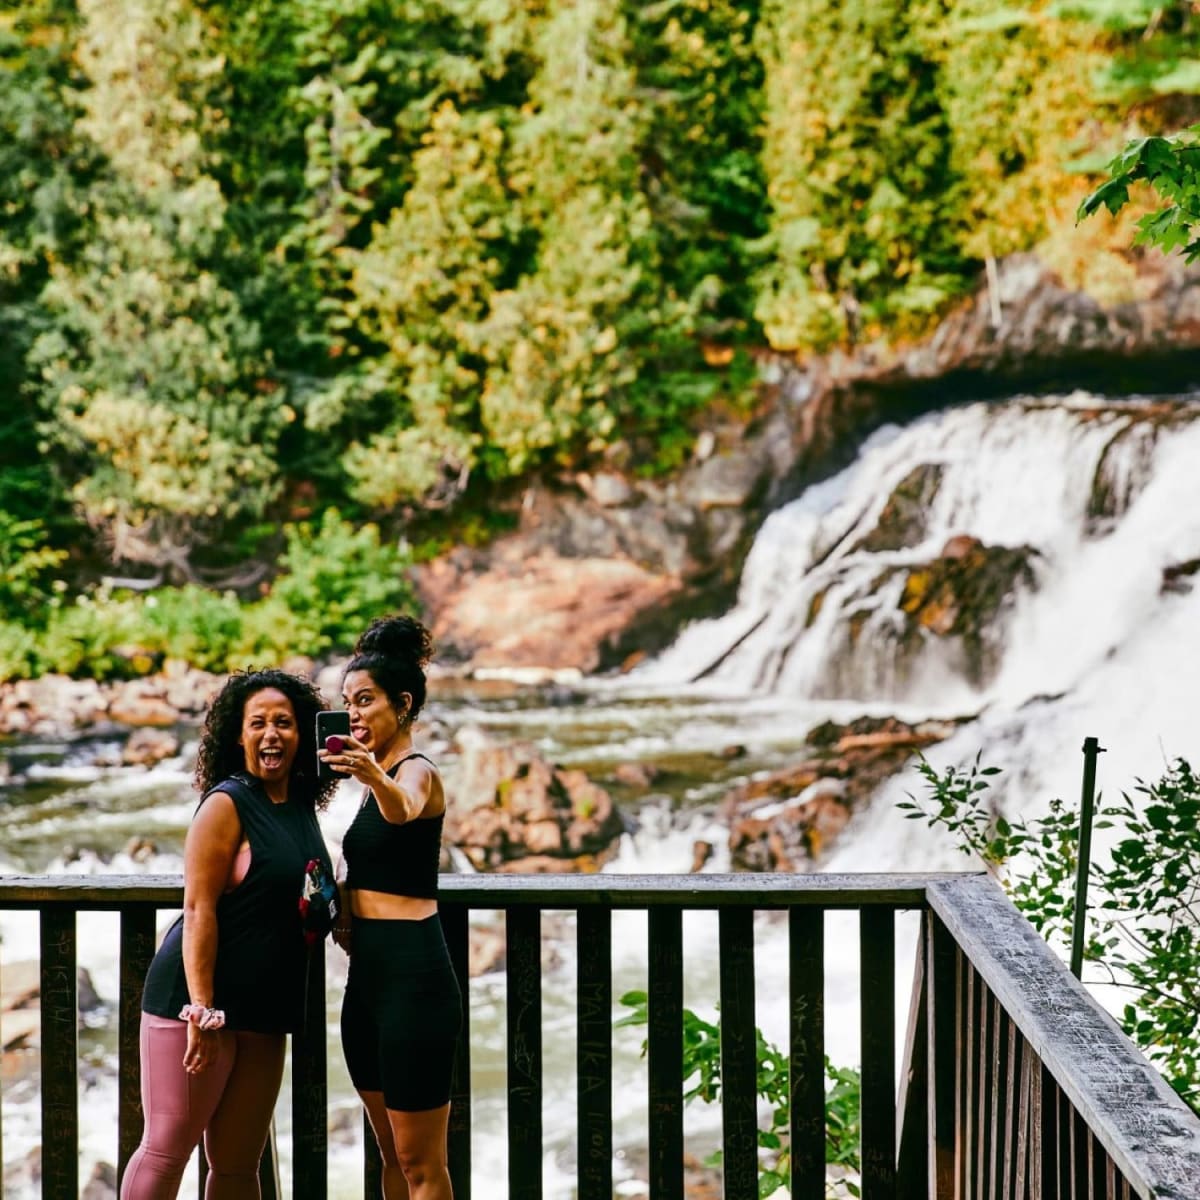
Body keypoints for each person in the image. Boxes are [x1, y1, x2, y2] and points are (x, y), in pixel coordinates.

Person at [122, 669, 338, 1200]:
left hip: (266, 1006)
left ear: (302, 733)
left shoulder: (299, 802)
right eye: (258, 723)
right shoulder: (226, 804)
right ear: (237, 736)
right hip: (201, 1005)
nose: (272, 734)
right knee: (167, 1149)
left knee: (239, 1165)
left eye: (284, 723)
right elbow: (198, 910)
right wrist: (201, 1010)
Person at [322, 615, 461, 1200]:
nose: (353, 715)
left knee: (420, 1162)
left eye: (366, 701)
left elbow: (403, 809)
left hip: (414, 980)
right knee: (390, 1156)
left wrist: (373, 774)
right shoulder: (369, 785)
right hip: (367, 982)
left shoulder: (417, 771)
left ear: (402, 704)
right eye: (346, 703)